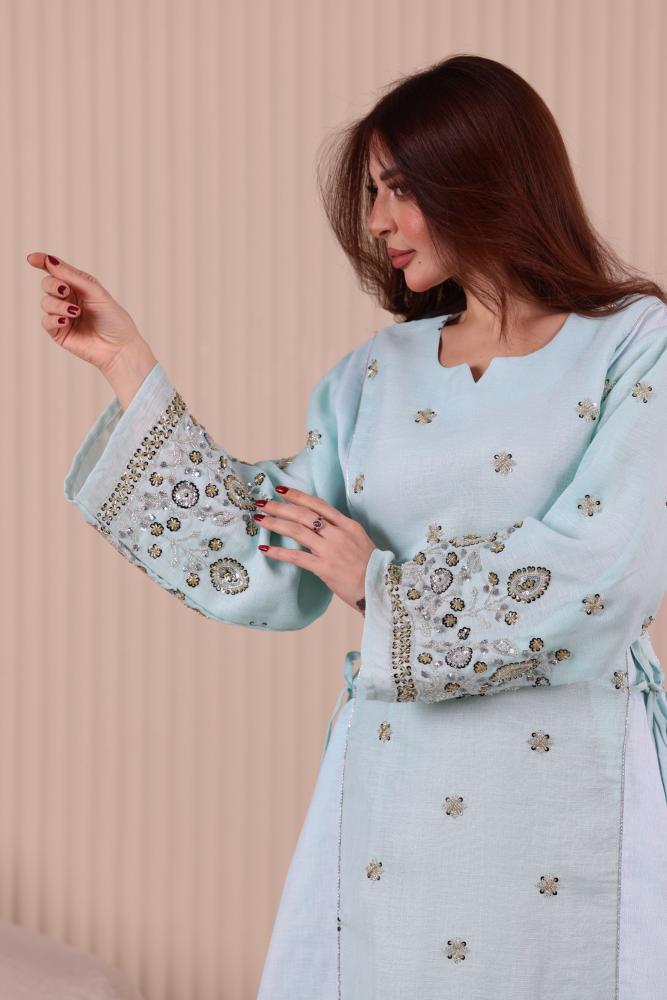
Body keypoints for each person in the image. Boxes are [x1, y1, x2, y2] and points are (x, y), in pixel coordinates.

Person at [29, 53, 667, 1000]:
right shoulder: (375, 374)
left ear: (482, 174)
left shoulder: (633, 344)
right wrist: (128, 365)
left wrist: (381, 588)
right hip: (398, 786)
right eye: (371, 192)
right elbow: (273, 550)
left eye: (398, 188)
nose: (375, 221)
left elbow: (609, 567)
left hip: (565, 787)